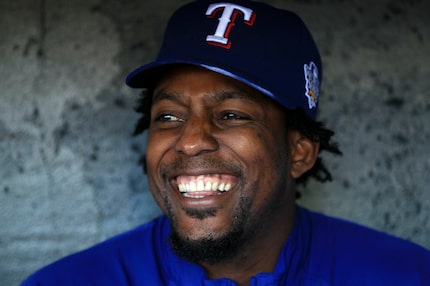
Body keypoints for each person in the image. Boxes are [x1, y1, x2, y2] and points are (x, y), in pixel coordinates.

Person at [22, 0, 430, 285]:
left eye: (232, 114)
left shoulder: (408, 275)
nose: (191, 140)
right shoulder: (66, 282)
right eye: (168, 116)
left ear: (300, 152)